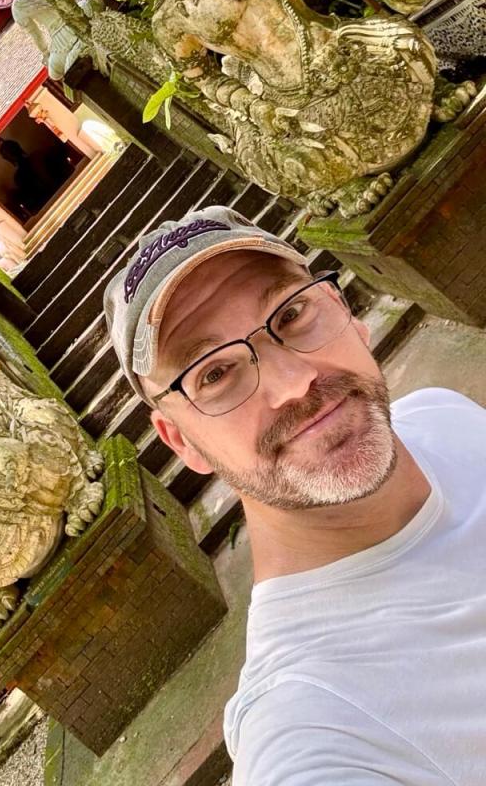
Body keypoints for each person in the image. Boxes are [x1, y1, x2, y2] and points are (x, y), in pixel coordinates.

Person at [103, 205, 486, 785]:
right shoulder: (311, 724)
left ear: (346, 312)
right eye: (214, 373)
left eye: (290, 313)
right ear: (183, 442)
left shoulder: (439, 413)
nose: (294, 383)